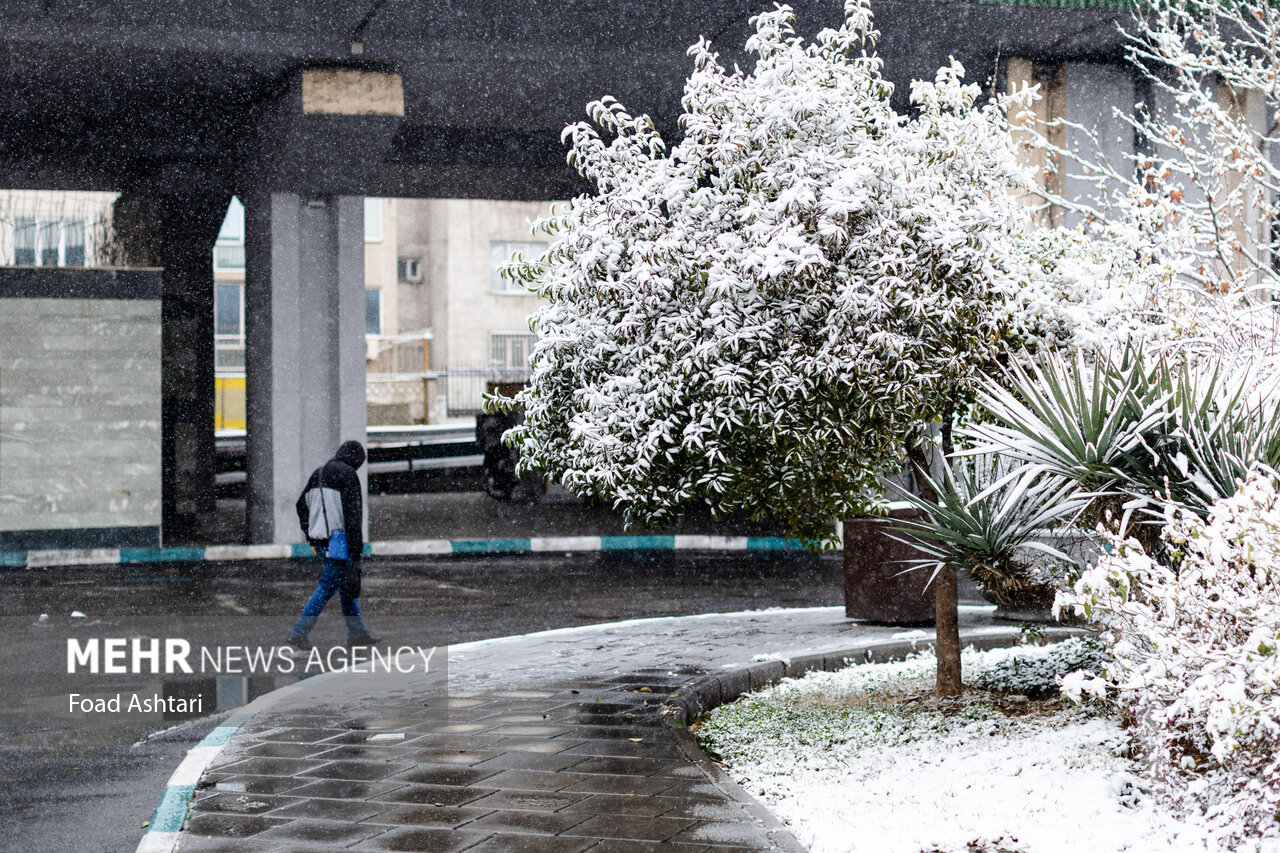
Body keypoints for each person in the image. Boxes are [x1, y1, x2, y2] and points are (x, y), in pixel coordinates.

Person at [286, 440, 379, 649]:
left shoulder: (318, 473)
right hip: (339, 543)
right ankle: (299, 632)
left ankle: (357, 634)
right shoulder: (348, 475)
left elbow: (301, 505)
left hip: (321, 542)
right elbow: (353, 515)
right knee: (328, 585)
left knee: (346, 584)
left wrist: (310, 536)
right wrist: (356, 548)